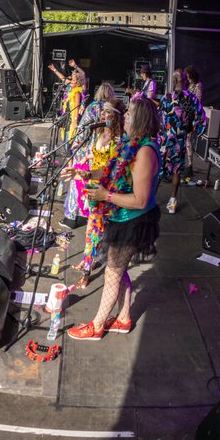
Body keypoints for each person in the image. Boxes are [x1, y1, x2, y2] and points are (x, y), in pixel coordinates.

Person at [69, 96, 162, 340]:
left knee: (113, 271)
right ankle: (123, 319)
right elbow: (110, 170)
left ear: (140, 119)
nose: (125, 117)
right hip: (121, 216)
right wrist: (84, 172)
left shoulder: (145, 152)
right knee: (117, 268)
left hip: (135, 220)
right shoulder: (127, 144)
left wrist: (105, 195)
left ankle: (98, 325)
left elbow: (140, 200)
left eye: (130, 114)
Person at [64, 100, 122, 291]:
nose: (103, 114)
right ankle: (88, 259)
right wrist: (84, 159)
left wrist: (88, 174)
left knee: (94, 231)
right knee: (93, 228)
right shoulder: (101, 132)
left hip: (104, 190)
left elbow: (109, 169)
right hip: (92, 185)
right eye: (103, 111)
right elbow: (95, 153)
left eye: (108, 112)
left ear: (116, 116)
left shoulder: (118, 141)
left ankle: (87, 271)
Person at [160, 69, 204, 215]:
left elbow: (159, 119)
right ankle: (172, 202)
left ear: (173, 81)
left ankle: (149, 200)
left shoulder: (166, 98)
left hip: (165, 140)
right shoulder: (192, 98)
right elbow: (202, 118)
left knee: (159, 170)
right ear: (185, 80)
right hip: (180, 140)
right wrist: (191, 128)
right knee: (176, 170)